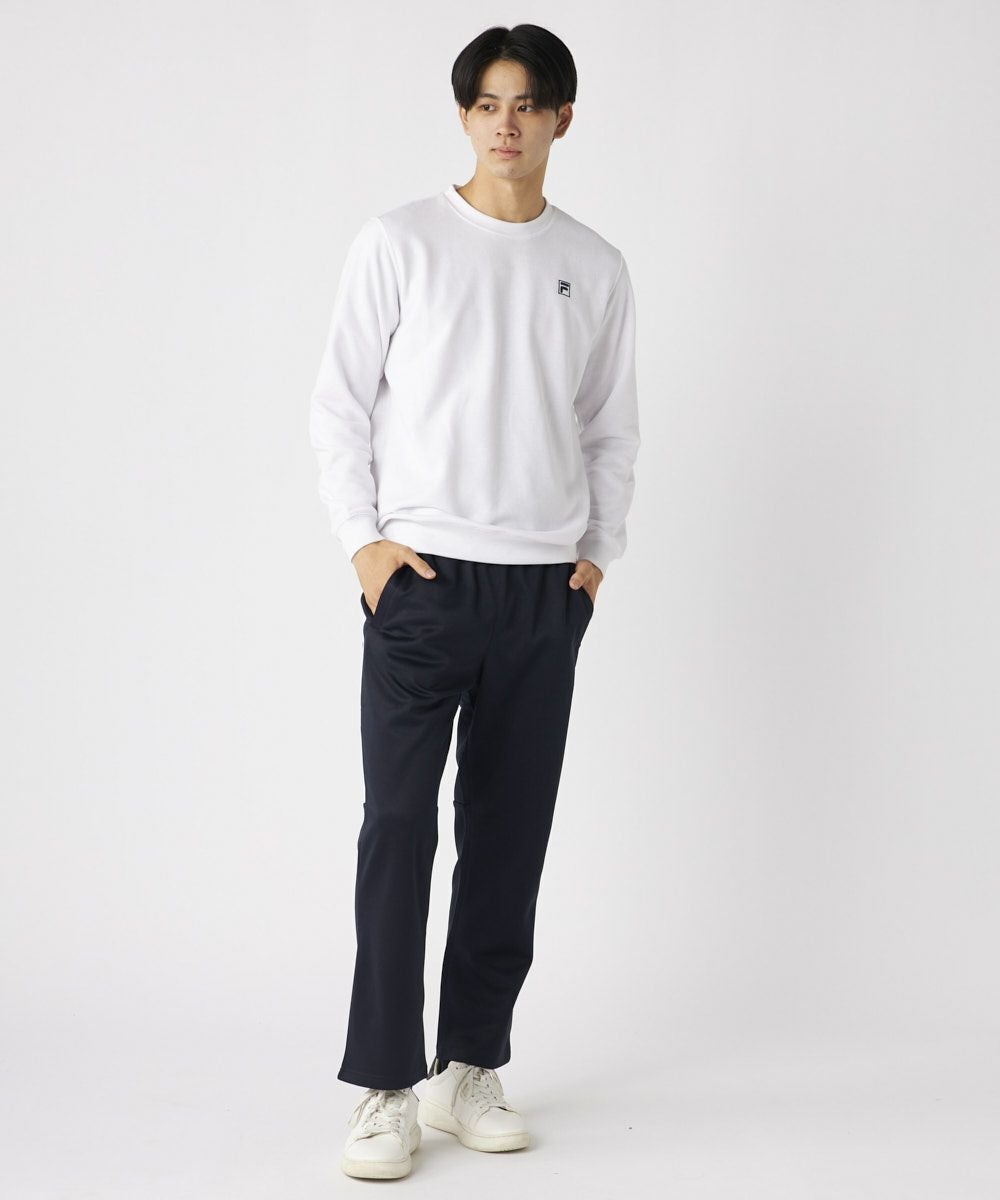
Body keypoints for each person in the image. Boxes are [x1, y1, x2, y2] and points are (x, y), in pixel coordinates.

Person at [308, 23, 640, 1181]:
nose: (506, 122)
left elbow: (608, 425)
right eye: (487, 103)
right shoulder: (400, 241)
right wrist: (364, 546)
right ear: (464, 116)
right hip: (423, 582)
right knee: (399, 829)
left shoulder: (593, 264)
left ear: (561, 119)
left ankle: (469, 1067)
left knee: (508, 838)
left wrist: (594, 555)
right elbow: (339, 403)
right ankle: (384, 1087)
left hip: (543, 591)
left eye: (528, 103)